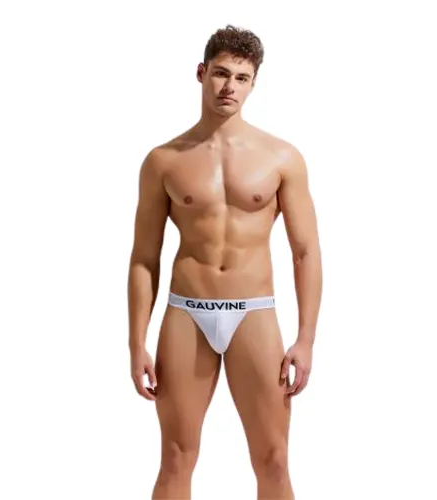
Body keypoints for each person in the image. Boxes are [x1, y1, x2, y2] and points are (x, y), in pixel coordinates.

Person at [128, 24, 323, 500]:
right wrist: (136, 343)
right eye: (220, 73)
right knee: (176, 457)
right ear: (201, 73)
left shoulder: (282, 157)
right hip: (186, 313)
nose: (229, 86)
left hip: (253, 312)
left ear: (254, 83)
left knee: (273, 459)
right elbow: (144, 258)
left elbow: (305, 252)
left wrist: (305, 339)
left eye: (241, 77)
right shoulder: (163, 161)